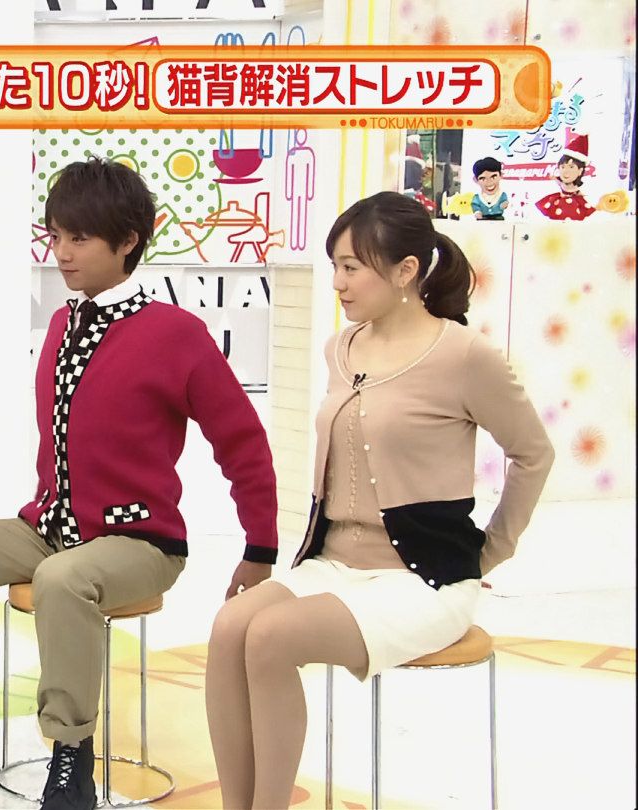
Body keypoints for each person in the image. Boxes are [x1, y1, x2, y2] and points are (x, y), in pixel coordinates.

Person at [0, 158, 279, 810]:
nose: (61, 252)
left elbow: (243, 443)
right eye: (56, 235)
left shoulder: (176, 334)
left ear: (128, 240)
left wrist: (260, 547)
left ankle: (71, 755)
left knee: (62, 580)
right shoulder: (63, 324)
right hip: (51, 527)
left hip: (140, 542)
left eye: (79, 238)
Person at [205, 191, 554, 809]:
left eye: (351, 267)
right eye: (334, 266)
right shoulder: (340, 349)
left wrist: (490, 551)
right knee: (231, 627)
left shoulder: (464, 355)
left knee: (270, 637)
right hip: (333, 563)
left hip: (421, 579)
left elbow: (534, 454)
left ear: (405, 271)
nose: (337, 283)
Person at [470, 156, 509, 221]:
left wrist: (503, 205)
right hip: (482, 219)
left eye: (493, 177)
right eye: (483, 179)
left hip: (498, 218)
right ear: (476, 180)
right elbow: (475, 205)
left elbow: (503, 202)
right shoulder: (477, 197)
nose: (489, 182)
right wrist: (477, 212)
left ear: (501, 175)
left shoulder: (502, 195)